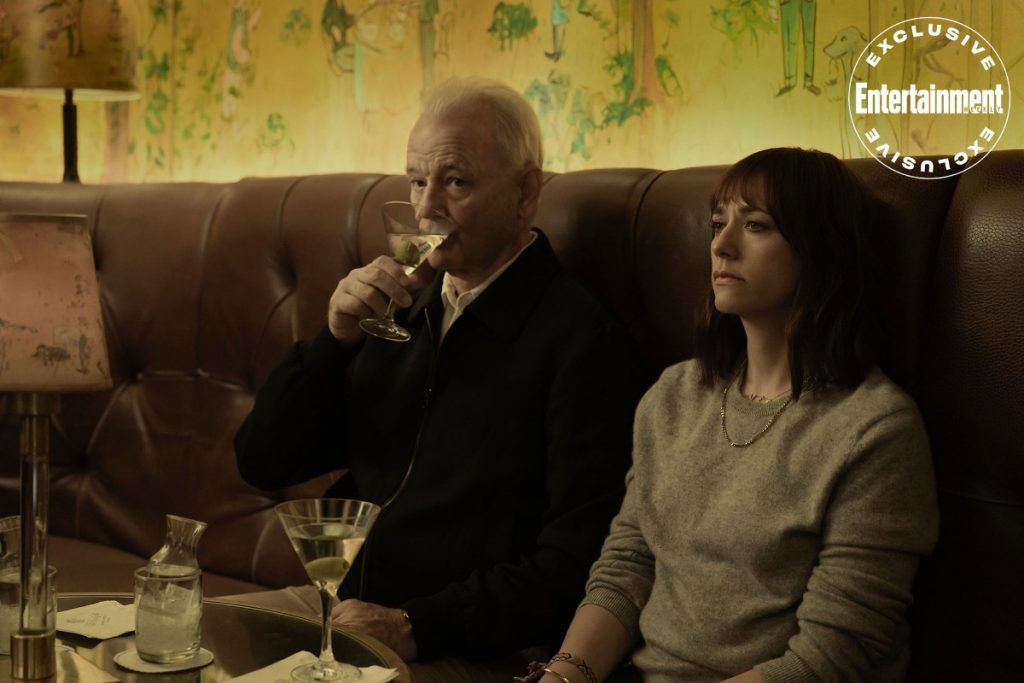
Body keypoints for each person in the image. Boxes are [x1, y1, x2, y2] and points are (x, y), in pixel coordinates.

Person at [234, 77, 648, 680]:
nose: (426, 208)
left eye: (455, 182)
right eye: (415, 180)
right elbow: (261, 460)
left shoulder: (582, 342)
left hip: (465, 644)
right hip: (343, 609)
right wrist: (333, 341)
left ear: (526, 191)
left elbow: (577, 563)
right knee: (179, 640)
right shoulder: (399, 310)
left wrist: (414, 625)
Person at [526, 148, 939, 683]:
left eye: (756, 225)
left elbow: (833, 657)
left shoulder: (874, 430)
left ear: (822, 249)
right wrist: (564, 676)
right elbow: (628, 566)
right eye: (718, 223)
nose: (721, 245)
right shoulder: (674, 396)